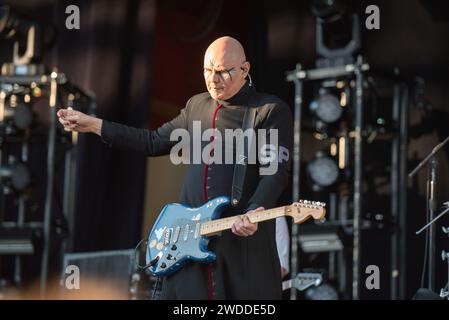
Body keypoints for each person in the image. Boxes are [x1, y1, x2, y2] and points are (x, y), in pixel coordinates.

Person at [57, 36, 293, 300]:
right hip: (188, 241)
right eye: (208, 70)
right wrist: (94, 125)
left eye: (223, 72)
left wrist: (254, 210)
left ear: (245, 69)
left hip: (239, 246)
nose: (213, 79)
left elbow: (275, 170)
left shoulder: (269, 110)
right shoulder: (197, 106)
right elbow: (152, 142)